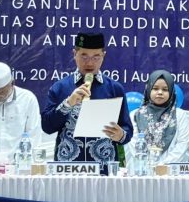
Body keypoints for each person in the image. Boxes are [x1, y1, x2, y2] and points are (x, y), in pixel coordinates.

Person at [41, 32, 133, 162]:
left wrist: (120, 135)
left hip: (104, 166)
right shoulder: (60, 87)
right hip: (68, 166)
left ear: (103, 56)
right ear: (74, 54)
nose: (89, 63)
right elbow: (47, 127)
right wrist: (68, 103)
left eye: (96, 57)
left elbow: (127, 131)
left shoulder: (114, 89)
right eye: (84, 56)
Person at [0, 61, 42, 163]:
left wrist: (28, 164)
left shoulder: (27, 99)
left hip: (19, 165)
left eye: (1, 93)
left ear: (12, 83)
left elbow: (34, 136)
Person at [130, 70, 189, 163]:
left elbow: (183, 143)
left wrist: (163, 165)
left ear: (171, 91)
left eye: (165, 89)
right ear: (148, 89)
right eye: (155, 88)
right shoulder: (135, 115)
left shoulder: (179, 115)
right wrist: (149, 164)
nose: (160, 92)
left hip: (170, 168)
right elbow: (134, 144)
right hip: (142, 167)